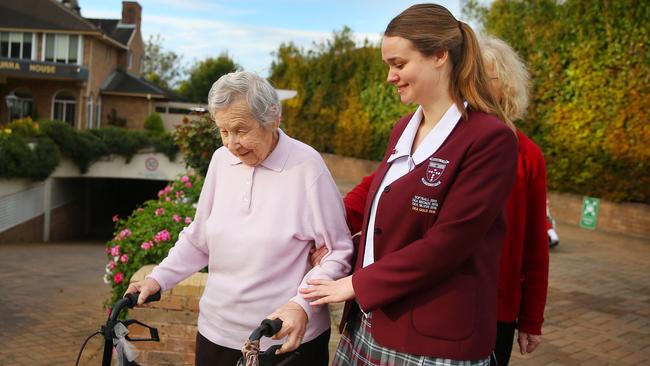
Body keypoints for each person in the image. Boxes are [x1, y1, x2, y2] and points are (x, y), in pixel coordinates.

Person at [301, 4, 518, 366]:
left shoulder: (490, 138)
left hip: (432, 339)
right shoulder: (403, 128)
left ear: (439, 56)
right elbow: (385, 216)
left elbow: (449, 244)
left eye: (399, 64)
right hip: (370, 324)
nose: (390, 76)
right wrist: (347, 247)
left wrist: (355, 284)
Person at [126, 71, 353, 366]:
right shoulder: (222, 161)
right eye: (223, 131)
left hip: (283, 341)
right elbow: (199, 238)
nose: (231, 143)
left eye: (240, 130)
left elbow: (338, 251)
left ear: (273, 119)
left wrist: (302, 305)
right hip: (216, 334)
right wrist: (158, 278)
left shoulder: (307, 166)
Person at [480, 36, 550, 366]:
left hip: (496, 310)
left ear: (505, 85)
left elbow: (535, 245)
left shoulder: (528, 155)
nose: (473, 84)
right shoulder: (439, 138)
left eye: (484, 76)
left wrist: (531, 318)